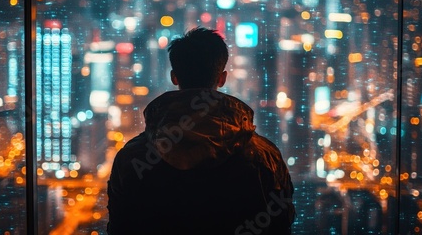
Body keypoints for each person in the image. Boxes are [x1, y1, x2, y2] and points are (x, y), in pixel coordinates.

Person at [107, 27, 295, 234]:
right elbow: (280, 224)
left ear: (174, 77)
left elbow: (119, 227)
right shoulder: (263, 156)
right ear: (222, 78)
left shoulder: (133, 158)